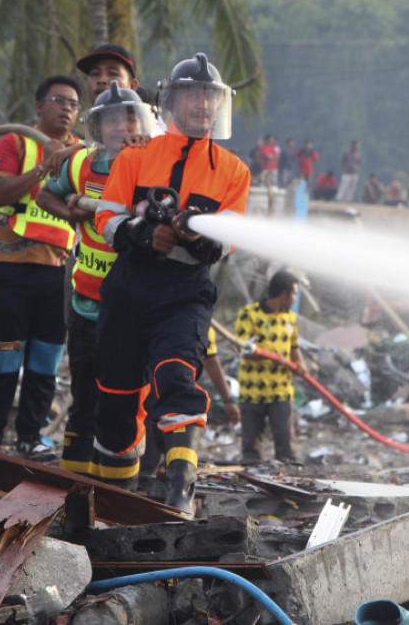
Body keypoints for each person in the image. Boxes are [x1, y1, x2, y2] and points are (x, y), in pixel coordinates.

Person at [93, 52, 250, 516]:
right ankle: (115, 508)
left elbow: (229, 240)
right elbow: (106, 217)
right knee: (117, 407)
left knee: (177, 378)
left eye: (210, 97)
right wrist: (145, 233)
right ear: (171, 102)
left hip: (185, 292)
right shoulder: (138, 154)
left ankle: (180, 494)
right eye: (192, 95)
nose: (202, 105)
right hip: (128, 288)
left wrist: (193, 238)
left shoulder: (233, 171)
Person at [36, 77, 159, 477]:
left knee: (125, 400)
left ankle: (120, 491)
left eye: (130, 120)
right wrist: (69, 212)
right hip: (87, 305)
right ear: (99, 128)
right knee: (84, 396)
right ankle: (75, 489)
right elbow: (44, 194)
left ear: (142, 124)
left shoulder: (154, 167)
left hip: (133, 308)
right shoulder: (81, 163)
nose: (122, 129)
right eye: (112, 122)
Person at [0, 75, 83, 456]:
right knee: (5, 352)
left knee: (46, 356)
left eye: (73, 103)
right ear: (39, 106)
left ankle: (30, 436)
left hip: (60, 272)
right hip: (14, 266)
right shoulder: (16, 142)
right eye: (59, 100)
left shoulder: (84, 154)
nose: (67, 108)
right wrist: (42, 169)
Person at [137, 325, 240, 494]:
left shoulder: (200, 320)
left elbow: (212, 361)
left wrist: (228, 400)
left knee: (171, 425)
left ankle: (165, 481)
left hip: (168, 391)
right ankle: (145, 483)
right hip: (147, 385)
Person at [234, 270, 306, 464]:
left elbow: (294, 347)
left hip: (281, 392)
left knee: (286, 448)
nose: (295, 298)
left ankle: (289, 483)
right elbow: (242, 349)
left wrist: (300, 363)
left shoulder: (290, 318)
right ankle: (252, 484)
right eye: (294, 294)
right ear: (284, 294)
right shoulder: (249, 315)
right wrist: (272, 357)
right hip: (253, 392)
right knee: (251, 449)